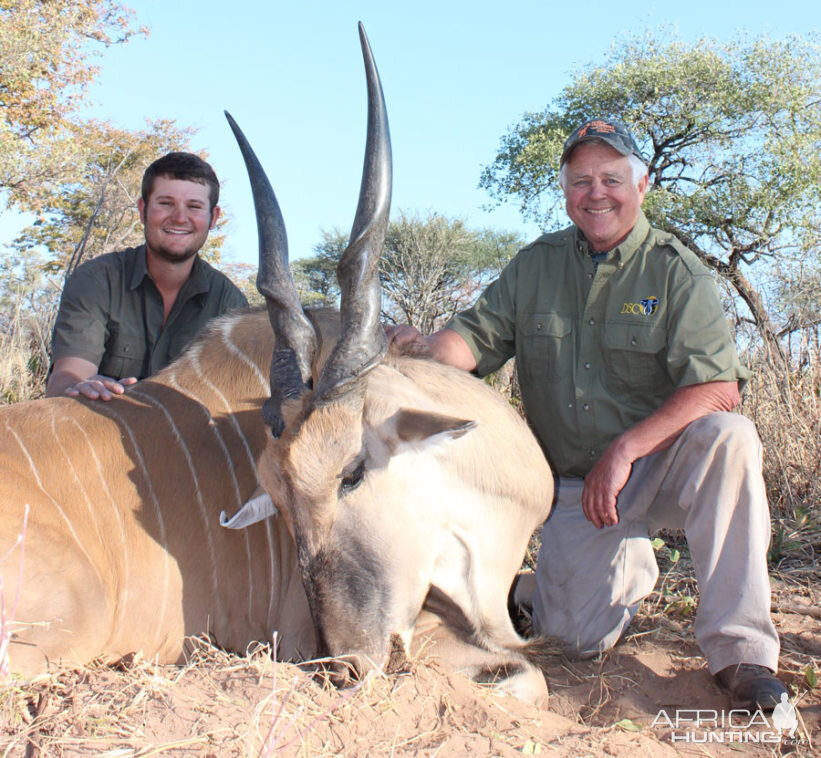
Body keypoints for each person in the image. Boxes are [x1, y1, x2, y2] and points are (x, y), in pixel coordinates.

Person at [388, 118, 787, 711]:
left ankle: (742, 653)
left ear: (642, 184)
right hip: (580, 490)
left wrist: (625, 451)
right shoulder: (535, 265)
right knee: (570, 640)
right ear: (565, 191)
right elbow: (469, 345)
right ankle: (555, 584)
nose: (596, 193)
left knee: (729, 439)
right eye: (581, 182)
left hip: (658, 465)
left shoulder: (675, 270)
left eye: (611, 178)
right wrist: (419, 351)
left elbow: (719, 389)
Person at [47, 152, 248, 401]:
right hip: (98, 429)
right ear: (143, 210)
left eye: (194, 207)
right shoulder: (96, 281)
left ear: (213, 218)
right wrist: (82, 387)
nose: (179, 217)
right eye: (165, 203)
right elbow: (67, 376)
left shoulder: (230, 305)